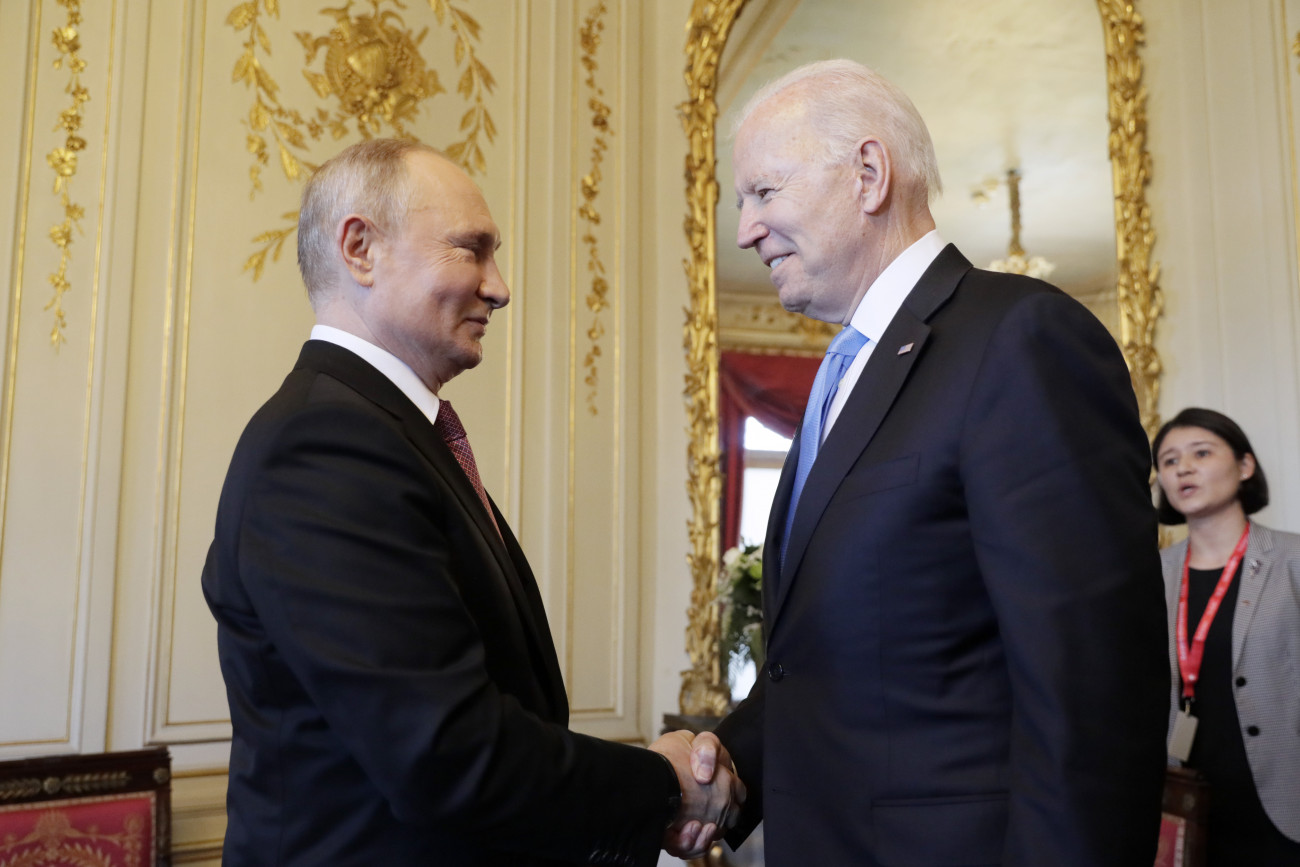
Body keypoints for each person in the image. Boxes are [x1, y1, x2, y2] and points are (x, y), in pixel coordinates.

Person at [201, 138, 742, 866]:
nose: (500, 286)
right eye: (472, 250)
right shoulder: (326, 444)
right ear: (360, 248)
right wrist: (662, 783)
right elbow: (447, 755)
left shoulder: (385, 432)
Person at [693, 59, 1170, 865]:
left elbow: (1092, 699)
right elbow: (826, 659)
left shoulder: (1021, 340)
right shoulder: (842, 375)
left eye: (763, 193)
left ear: (869, 174)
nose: (743, 229)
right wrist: (724, 765)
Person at [1153, 407, 1300, 864]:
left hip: (1284, 799)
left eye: (1201, 453)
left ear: (1244, 465)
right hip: (1184, 803)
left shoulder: (1292, 561)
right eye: (1170, 461)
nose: (1184, 469)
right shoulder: (1151, 576)